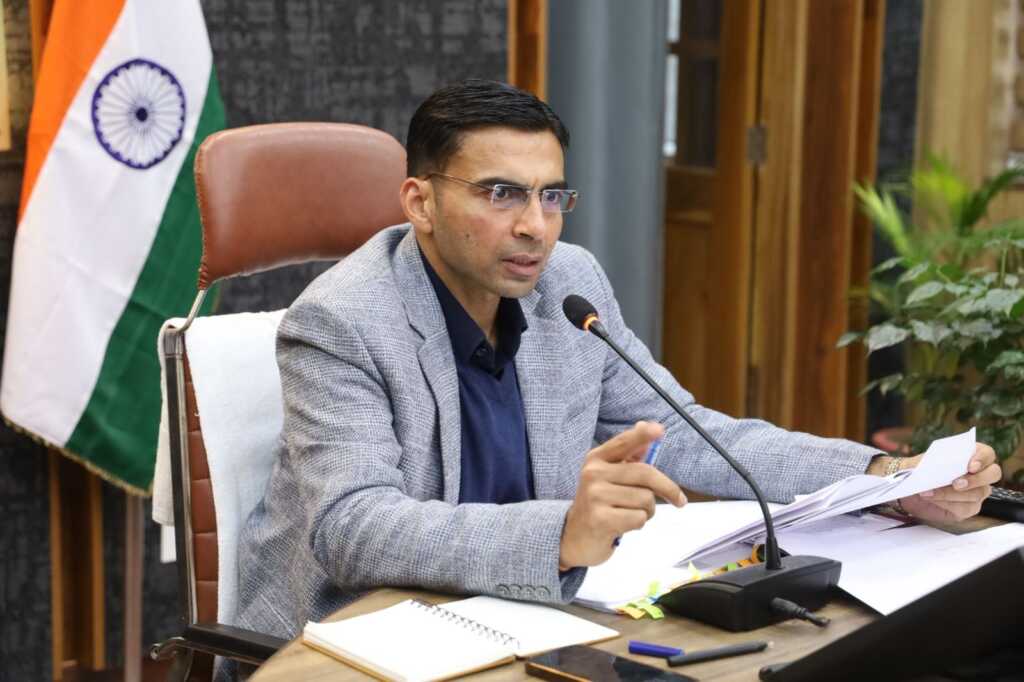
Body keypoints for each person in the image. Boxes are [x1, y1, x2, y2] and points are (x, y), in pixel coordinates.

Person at [234, 79, 1000, 640]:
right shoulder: (340, 321)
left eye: (552, 196)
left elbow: (687, 431)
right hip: (367, 635)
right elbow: (353, 528)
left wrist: (880, 478)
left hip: (528, 611)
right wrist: (561, 535)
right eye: (501, 194)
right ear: (420, 203)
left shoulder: (568, 285)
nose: (536, 227)